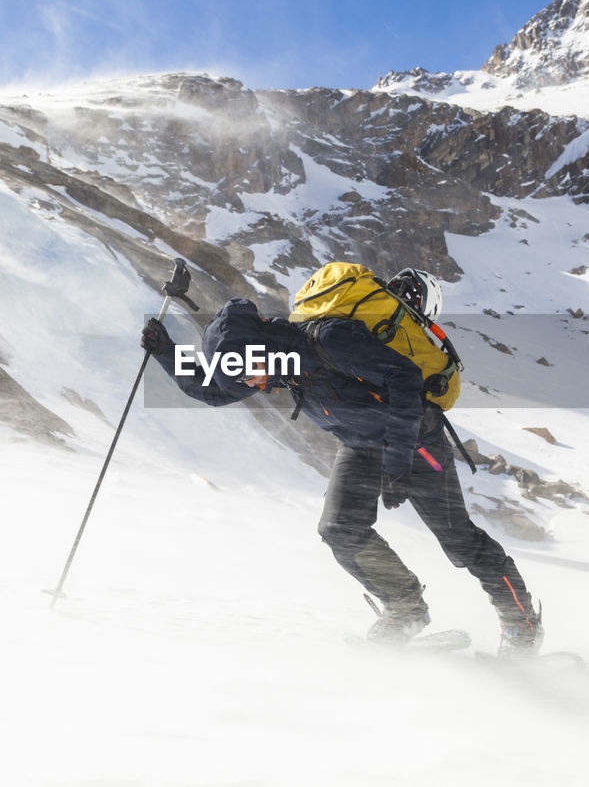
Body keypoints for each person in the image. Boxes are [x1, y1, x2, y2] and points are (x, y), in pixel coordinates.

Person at [140, 268, 544, 656]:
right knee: (339, 529)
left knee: (458, 540)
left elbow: (404, 378)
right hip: (358, 445)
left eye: (251, 375)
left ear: (260, 349)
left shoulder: (331, 338)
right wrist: (164, 351)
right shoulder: (272, 364)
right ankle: (405, 608)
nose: (253, 385)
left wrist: (400, 461)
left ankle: (522, 625)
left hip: (416, 444)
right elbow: (213, 391)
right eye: (245, 380)